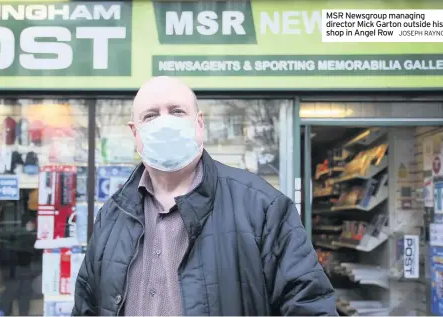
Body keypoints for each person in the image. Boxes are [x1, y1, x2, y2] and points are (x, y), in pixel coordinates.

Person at [72, 76, 337, 316]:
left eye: (177, 112)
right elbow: (87, 307)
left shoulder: (262, 207)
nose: (165, 123)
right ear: (135, 132)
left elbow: (310, 307)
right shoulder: (112, 215)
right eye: (151, 116)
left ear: (199, 123)